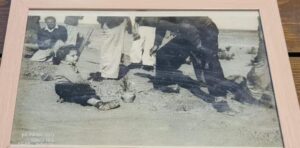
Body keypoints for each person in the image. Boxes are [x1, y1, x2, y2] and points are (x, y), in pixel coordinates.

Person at [151, 17, 257, 112]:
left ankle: (221, 99)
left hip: (206, 30)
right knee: (162, 54)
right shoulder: (161, 11)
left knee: (210, 64)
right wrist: (156, 44)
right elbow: (161, 24)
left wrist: (199, 48)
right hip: (188, 31)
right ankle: (164, 83)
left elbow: (188, 28)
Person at [53, 46, 120, 110]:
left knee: (85, 90)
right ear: (63, 58)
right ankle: (98, 104)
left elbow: (78, 77)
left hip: (67, 87)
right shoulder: (65, 67)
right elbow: (76, 80)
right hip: (63, 87)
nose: (76, 57)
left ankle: (67, 98)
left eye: (76, 55)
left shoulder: (70, 65)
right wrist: (87, 83)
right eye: (72, 56)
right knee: (83, 93)